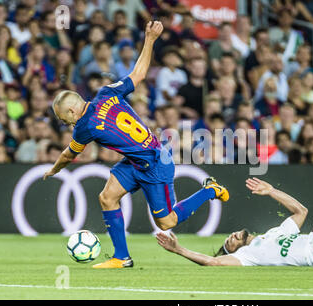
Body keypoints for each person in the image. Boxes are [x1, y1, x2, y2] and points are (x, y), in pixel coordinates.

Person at [42, 21, 229, 269]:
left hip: (154, 164)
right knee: (107, 197)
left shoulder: (84, 126)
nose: (61, 121)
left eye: (61, 116)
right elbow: (139, 74)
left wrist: (53, 170)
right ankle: (122, 257)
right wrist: (149, 39)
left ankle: (210, 190)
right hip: (136, 161)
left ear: (72, 110)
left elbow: (68, 155)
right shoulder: (107, 92)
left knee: (167, 223)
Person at [157, 114, 313, 266]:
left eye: (230, 237)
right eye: (231, 242)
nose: (234, 236)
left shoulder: (271, 235)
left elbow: (300, 211)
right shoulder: (249, 257)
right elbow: (213, 262)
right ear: (235, 252)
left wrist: (271, 191)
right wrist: (179, 250)